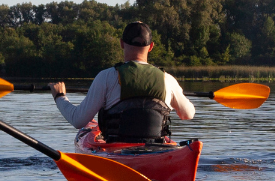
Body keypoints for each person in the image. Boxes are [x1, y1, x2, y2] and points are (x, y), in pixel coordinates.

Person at [49, 21, 196, 143]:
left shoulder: (107, 77)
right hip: (156, 150)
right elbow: (188, 114)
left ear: (121, 43)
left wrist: (60, 97)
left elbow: (78, 120)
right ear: (151, 47)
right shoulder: (168, 80)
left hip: (116, 152)